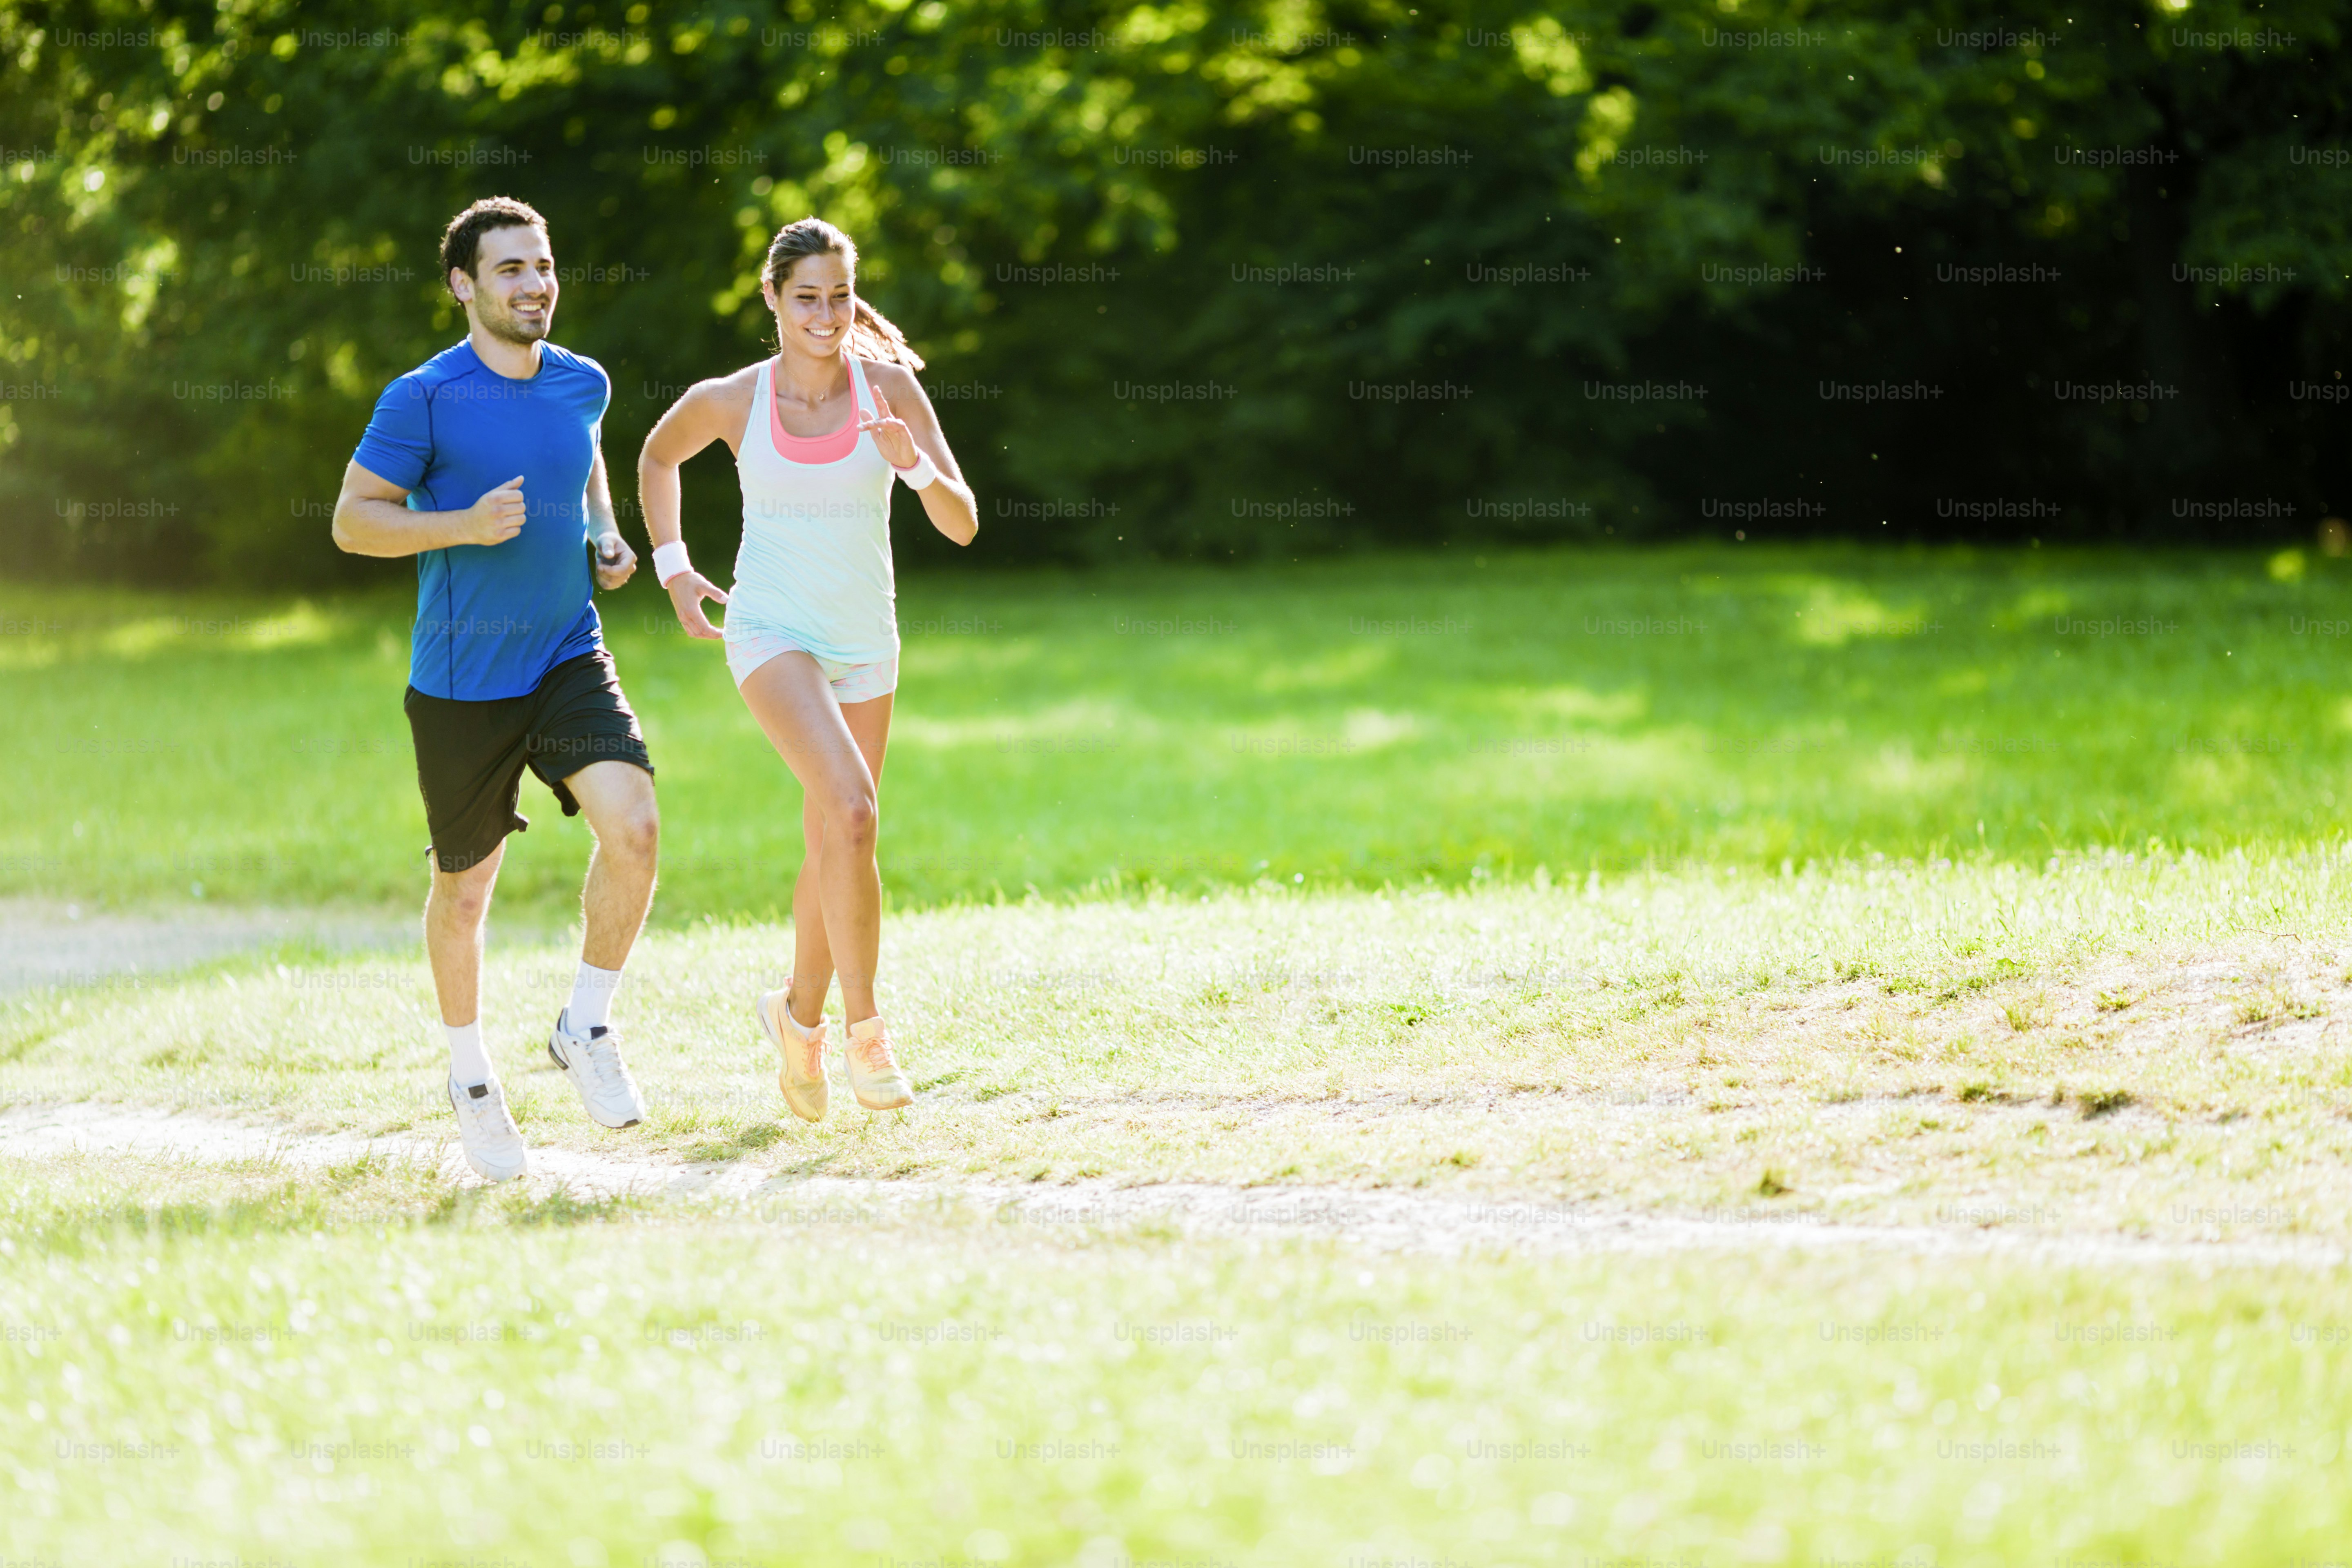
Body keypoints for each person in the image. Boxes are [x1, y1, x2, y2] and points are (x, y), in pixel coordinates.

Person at [331, 196, 657, 1182]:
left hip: (566, 651)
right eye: (510, 269)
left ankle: (585, 1025)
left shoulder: (581, 382)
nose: (535, 285)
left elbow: (587, 454)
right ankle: (471, 1076)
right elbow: (354, 521)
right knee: (465, 894)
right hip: (464, 682)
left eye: (544, 266)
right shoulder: (422, 398)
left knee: (635, 826)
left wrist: (603, 531)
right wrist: (461, 526)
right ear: (464, 285)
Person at [637, 216, 977, 1122]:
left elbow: (963, 522)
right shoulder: (736, 399)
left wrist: (914, 471)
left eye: (838, 296)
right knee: (855, 806)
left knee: (837, 835)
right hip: (771, 630)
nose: (825, 315)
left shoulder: (892, 392)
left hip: (866, 637)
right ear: (774, 300)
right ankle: (865, 1036)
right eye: (806, 298)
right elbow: (657, 455)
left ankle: (796, 1020)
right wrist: (673, 567)